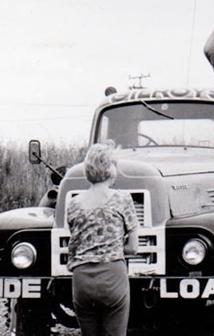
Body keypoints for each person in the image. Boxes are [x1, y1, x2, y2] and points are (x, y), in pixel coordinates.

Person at [66, 142, 139, 336]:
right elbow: (133, 248)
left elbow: (75, 241)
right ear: (109, 169)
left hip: (81, 280)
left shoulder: (74, 204)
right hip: (112, 277)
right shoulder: (123, 199)